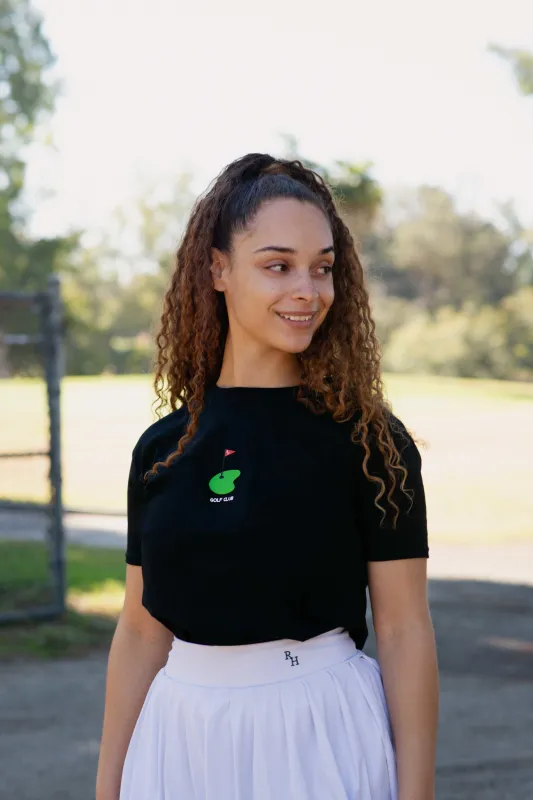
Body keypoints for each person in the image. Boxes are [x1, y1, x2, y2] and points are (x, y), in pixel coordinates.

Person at [96, 153, 439, 800]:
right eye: (277, 265)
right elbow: (141, 629)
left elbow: (403, 629)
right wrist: (107, 785)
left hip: (317, 729)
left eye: (323, 267)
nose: (307, 289)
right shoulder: (162, 450)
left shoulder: (369, 442)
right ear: (217, 270)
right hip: (177, 735)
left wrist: (414, 793)